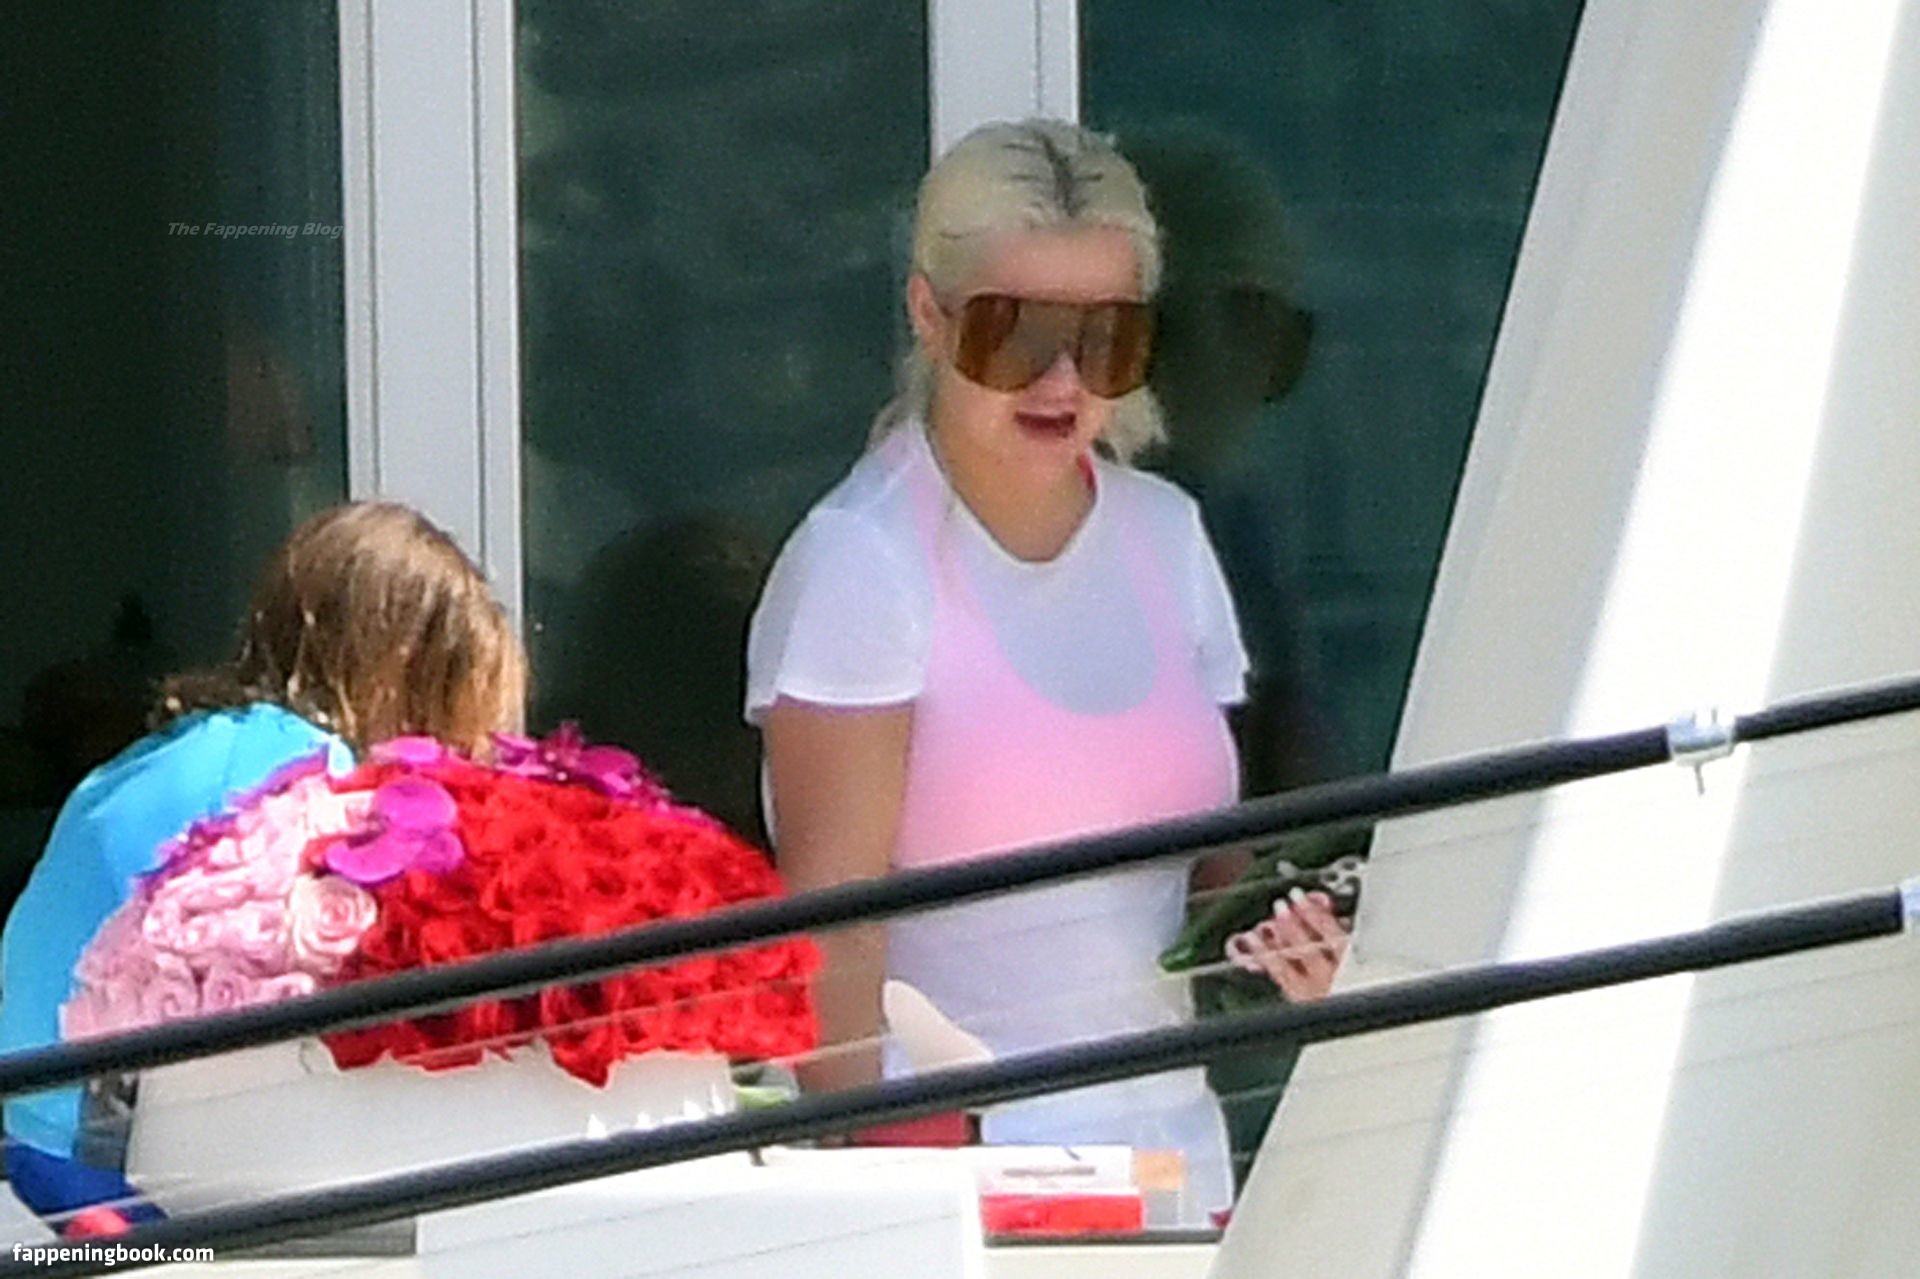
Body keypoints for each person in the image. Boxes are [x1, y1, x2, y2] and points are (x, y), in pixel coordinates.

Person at [744, 119, 1346, 1223]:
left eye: (1106, 339)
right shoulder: (864, 562)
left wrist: (1292, 937)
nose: (1062, 380)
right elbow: (834, 940)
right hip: (964, 1197)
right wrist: (855, 1207)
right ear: (930, 316)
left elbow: (1212, 888)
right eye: (1014, 334)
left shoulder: (1169, 535)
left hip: (1176, 1174)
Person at [0, 502, 527, 1227]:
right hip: (103, 1183)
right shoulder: (304, 777)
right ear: (404, 666)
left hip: (32, 1141)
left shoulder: (174, 751)